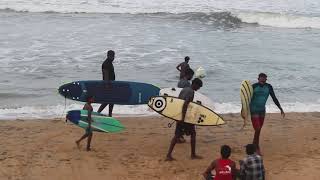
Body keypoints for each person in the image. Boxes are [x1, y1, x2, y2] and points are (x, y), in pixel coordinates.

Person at [165, 78, 203, 161]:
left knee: (177, 135)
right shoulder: (191, 91)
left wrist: (178, 116)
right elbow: (185, 104)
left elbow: (179, 102)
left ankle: (168, 155)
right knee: (193, 133)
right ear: (195, 84)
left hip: (180, 115)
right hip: (185, 117)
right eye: (199, 87)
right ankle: (193, 155)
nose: (198, 89)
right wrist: (183, 118)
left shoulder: (184, 89)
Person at [250, 73, 285, 155]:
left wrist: (280, 108)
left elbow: (274, 98)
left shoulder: (269, 87)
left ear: (266, 80)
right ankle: (256, 147)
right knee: (257, 129)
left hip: (262, 110)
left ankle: (253, 144)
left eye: (264, 79)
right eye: (261, 79)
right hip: (253, 110)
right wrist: (244, 110)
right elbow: (246, 98)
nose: (262, 80)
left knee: (258, 130)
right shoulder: (253, 86)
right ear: (258, 79)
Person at [176, 68, 195, 143]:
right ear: (189, 74)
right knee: (183, 122)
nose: (192, 77)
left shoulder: (180, 81)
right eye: (191, 75)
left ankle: (179, 137)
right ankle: (179, 137)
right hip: (184, 103)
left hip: (179, 102)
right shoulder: (187, 83)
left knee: (178, 121)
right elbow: (188, 94)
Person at [98, 50, 116, 116]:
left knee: (111, 101)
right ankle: (98, 113)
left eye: (114, 56)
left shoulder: (109, 63)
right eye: (112, 56)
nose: (114, 58)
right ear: (108, 56)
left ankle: (110, 114)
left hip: (111, 84)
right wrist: (107, 86)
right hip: (107, 85)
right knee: (107, 101)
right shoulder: (106, 64)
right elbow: (106, 75)